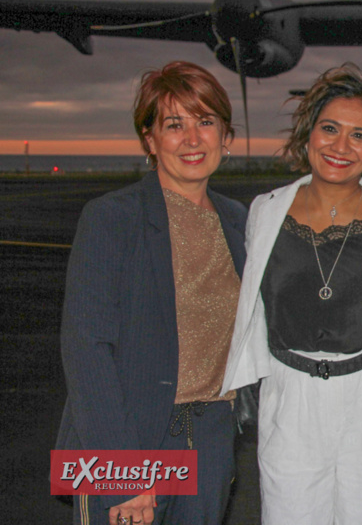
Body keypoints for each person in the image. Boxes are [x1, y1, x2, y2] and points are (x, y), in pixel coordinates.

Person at [56, 61, 247, 525]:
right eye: (173, 124)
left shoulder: (240, 221)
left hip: (210, 435)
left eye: (205, 122)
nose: (191, 139)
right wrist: (122, 472)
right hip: (130, 434)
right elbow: (87, 349)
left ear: (226, 137)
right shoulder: (110, 217)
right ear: (150, 139)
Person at [221, 64, 362, 525]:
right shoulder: (264, 213)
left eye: (359, 136)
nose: (341, 147)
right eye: (330, 129)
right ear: (308, 135)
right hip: (291, 401)